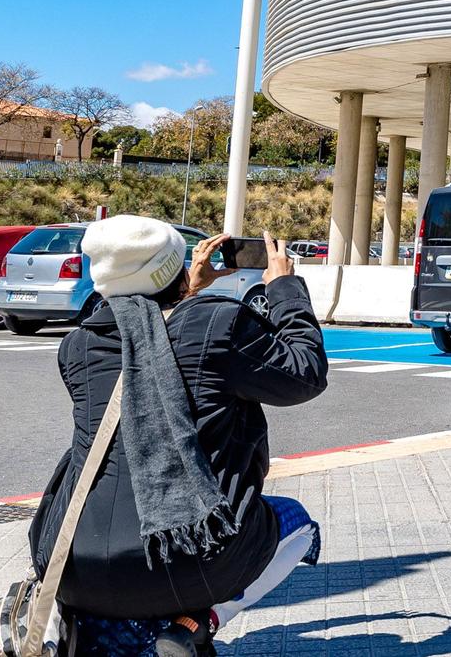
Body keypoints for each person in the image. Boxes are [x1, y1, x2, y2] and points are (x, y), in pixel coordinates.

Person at [29, 217, 327, 657]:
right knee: (296, 523)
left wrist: (185, 289)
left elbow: (144, 335)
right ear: (173, 268)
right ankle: (196, 624)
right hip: (190, 562)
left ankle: (84, 623)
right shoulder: (218, 325)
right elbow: (304, 373)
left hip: (70, 561)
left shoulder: (78, 345)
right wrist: (284, 287)